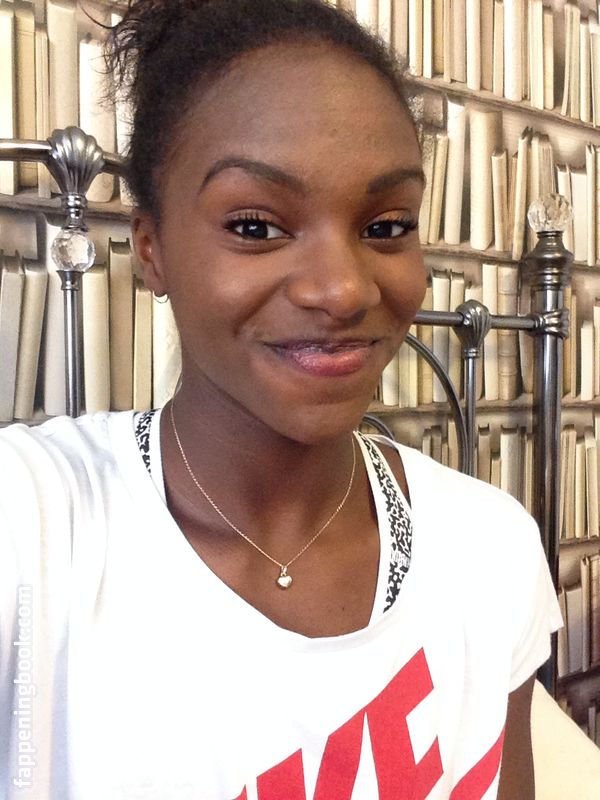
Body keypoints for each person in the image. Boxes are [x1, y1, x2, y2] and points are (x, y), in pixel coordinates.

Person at [0, 1, 562, 798]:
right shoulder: (34, 525)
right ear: (150, 249)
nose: (342, 290)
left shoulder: (490, 550)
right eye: (257, 227)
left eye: (386, 226)